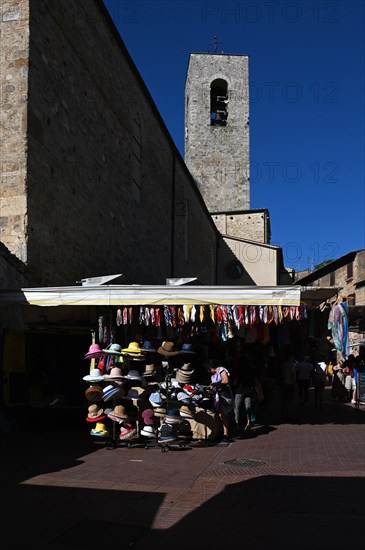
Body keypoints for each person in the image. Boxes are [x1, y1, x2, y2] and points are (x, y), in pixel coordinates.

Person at [204, 358, 234, 441]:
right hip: (218, 397)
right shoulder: (213, 376)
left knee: (224, 414)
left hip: (224, 396)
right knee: (222, 414)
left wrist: (216, 384)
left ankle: (226, 433)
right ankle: (224, 431)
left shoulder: (221, 369)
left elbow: (225, 380)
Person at [232, 354, 257, 433]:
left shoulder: (238, 370)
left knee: (237, 408)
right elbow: (255, 380)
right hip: (249, 390)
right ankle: (248, 422)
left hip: (239, 390)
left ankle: (236, 424)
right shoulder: (252, 369)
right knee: (248, 407)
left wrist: (233, 386)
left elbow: (235, 382)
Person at [279, 349, 297, 421]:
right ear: (290, 357)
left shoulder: (283, 364)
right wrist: (294, 383)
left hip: (283, 383)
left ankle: (283, 414)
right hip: (289, 383)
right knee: (289, 400)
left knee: (283, 400)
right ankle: (288, 415)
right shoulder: (291, 364)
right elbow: (292, 374)